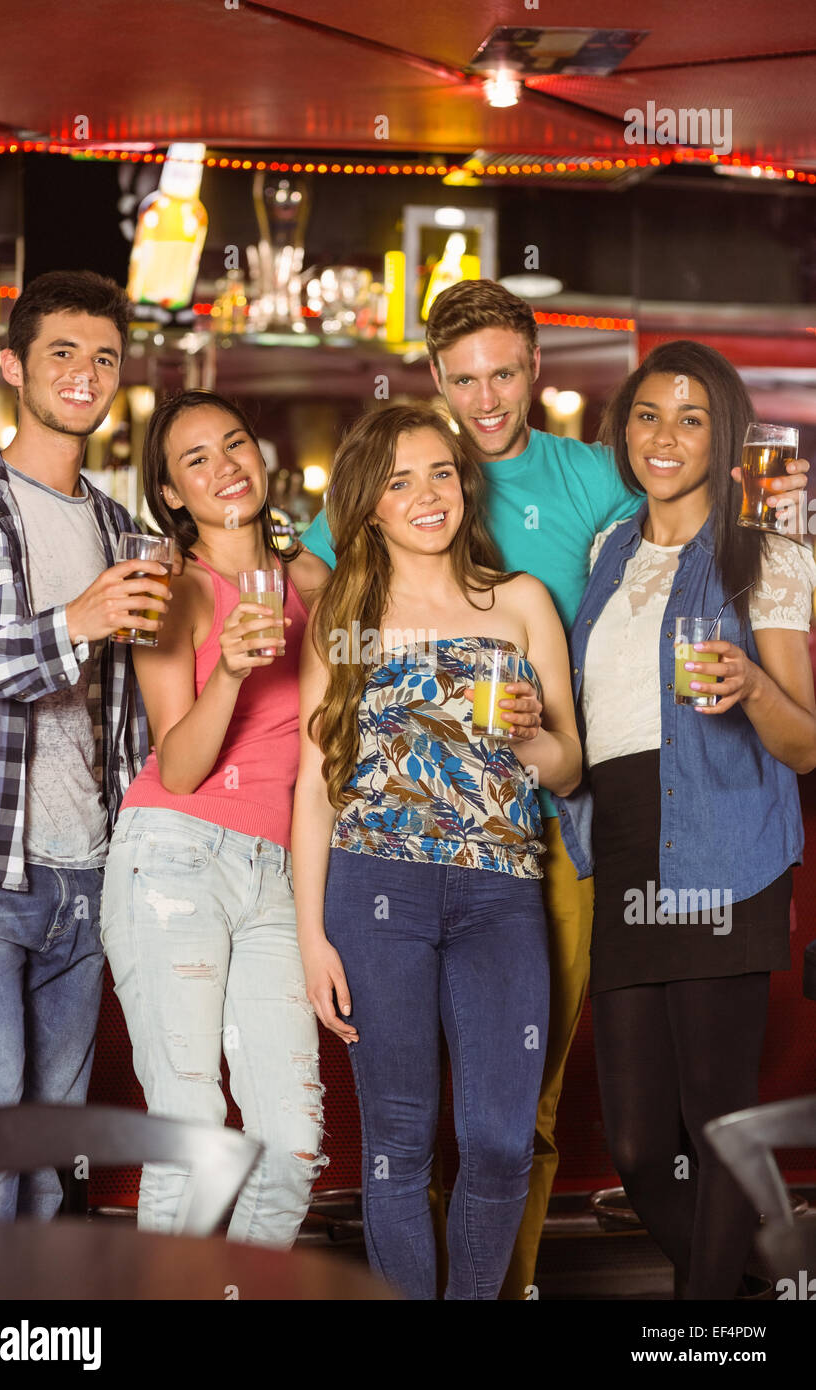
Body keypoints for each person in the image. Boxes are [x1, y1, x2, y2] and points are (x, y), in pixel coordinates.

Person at [298, 279, 811, 1295]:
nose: (485, 398)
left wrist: (776, 517)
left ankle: (585, 1293)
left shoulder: (625, 503)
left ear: (535, 369)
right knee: (584, 1130)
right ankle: (734, 1275)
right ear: (436, 382)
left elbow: (718, 541)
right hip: (576, 839)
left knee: (528, 1116)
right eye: (463, 379)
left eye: (503, 372)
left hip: (596, 830)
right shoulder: (597, 545)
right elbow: (318, 593)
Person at [291, 404, 582, 1298]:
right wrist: (311, 940)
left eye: (441, 473)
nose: (427, 495)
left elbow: (567, 770)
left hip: (501, 890)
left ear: (465, 482)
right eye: (398, 480)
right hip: (376, 889)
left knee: (499, 1136)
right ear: (368, 508)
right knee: (400, 1138)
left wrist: (534, 737)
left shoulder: (521, 600)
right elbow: (312, 787)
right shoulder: (345, 612)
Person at [560, 340, 816, 1298]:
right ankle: (762, 1282)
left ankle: (705, 1329)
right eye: (647, 416)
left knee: (716, 1122)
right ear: (624, 429)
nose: (665, 437)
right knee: (635, 1143)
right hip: (626, 845)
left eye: (692, 418)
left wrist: (749, 684)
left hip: (724, 846)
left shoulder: (771, 549)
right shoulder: (607, 548)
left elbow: (804, 745)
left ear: (726, 435)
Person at [0, 270, 165, 1221]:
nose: (86, 374)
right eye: (62, 354)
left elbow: (136, 720)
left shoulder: (124, 529)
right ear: (13, 366)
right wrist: (69, 623)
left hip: (90, 876)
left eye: (104, 357)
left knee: (50, 1164)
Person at [100, 389, 331, 1245]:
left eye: (234, 444)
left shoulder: (311, 579)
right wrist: (230, 671)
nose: (225, 466)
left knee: (293, 1144)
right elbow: (183, 764)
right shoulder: (173, 590)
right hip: (174, 858)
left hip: (280, 871)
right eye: (195, 459)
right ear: (171, 494)